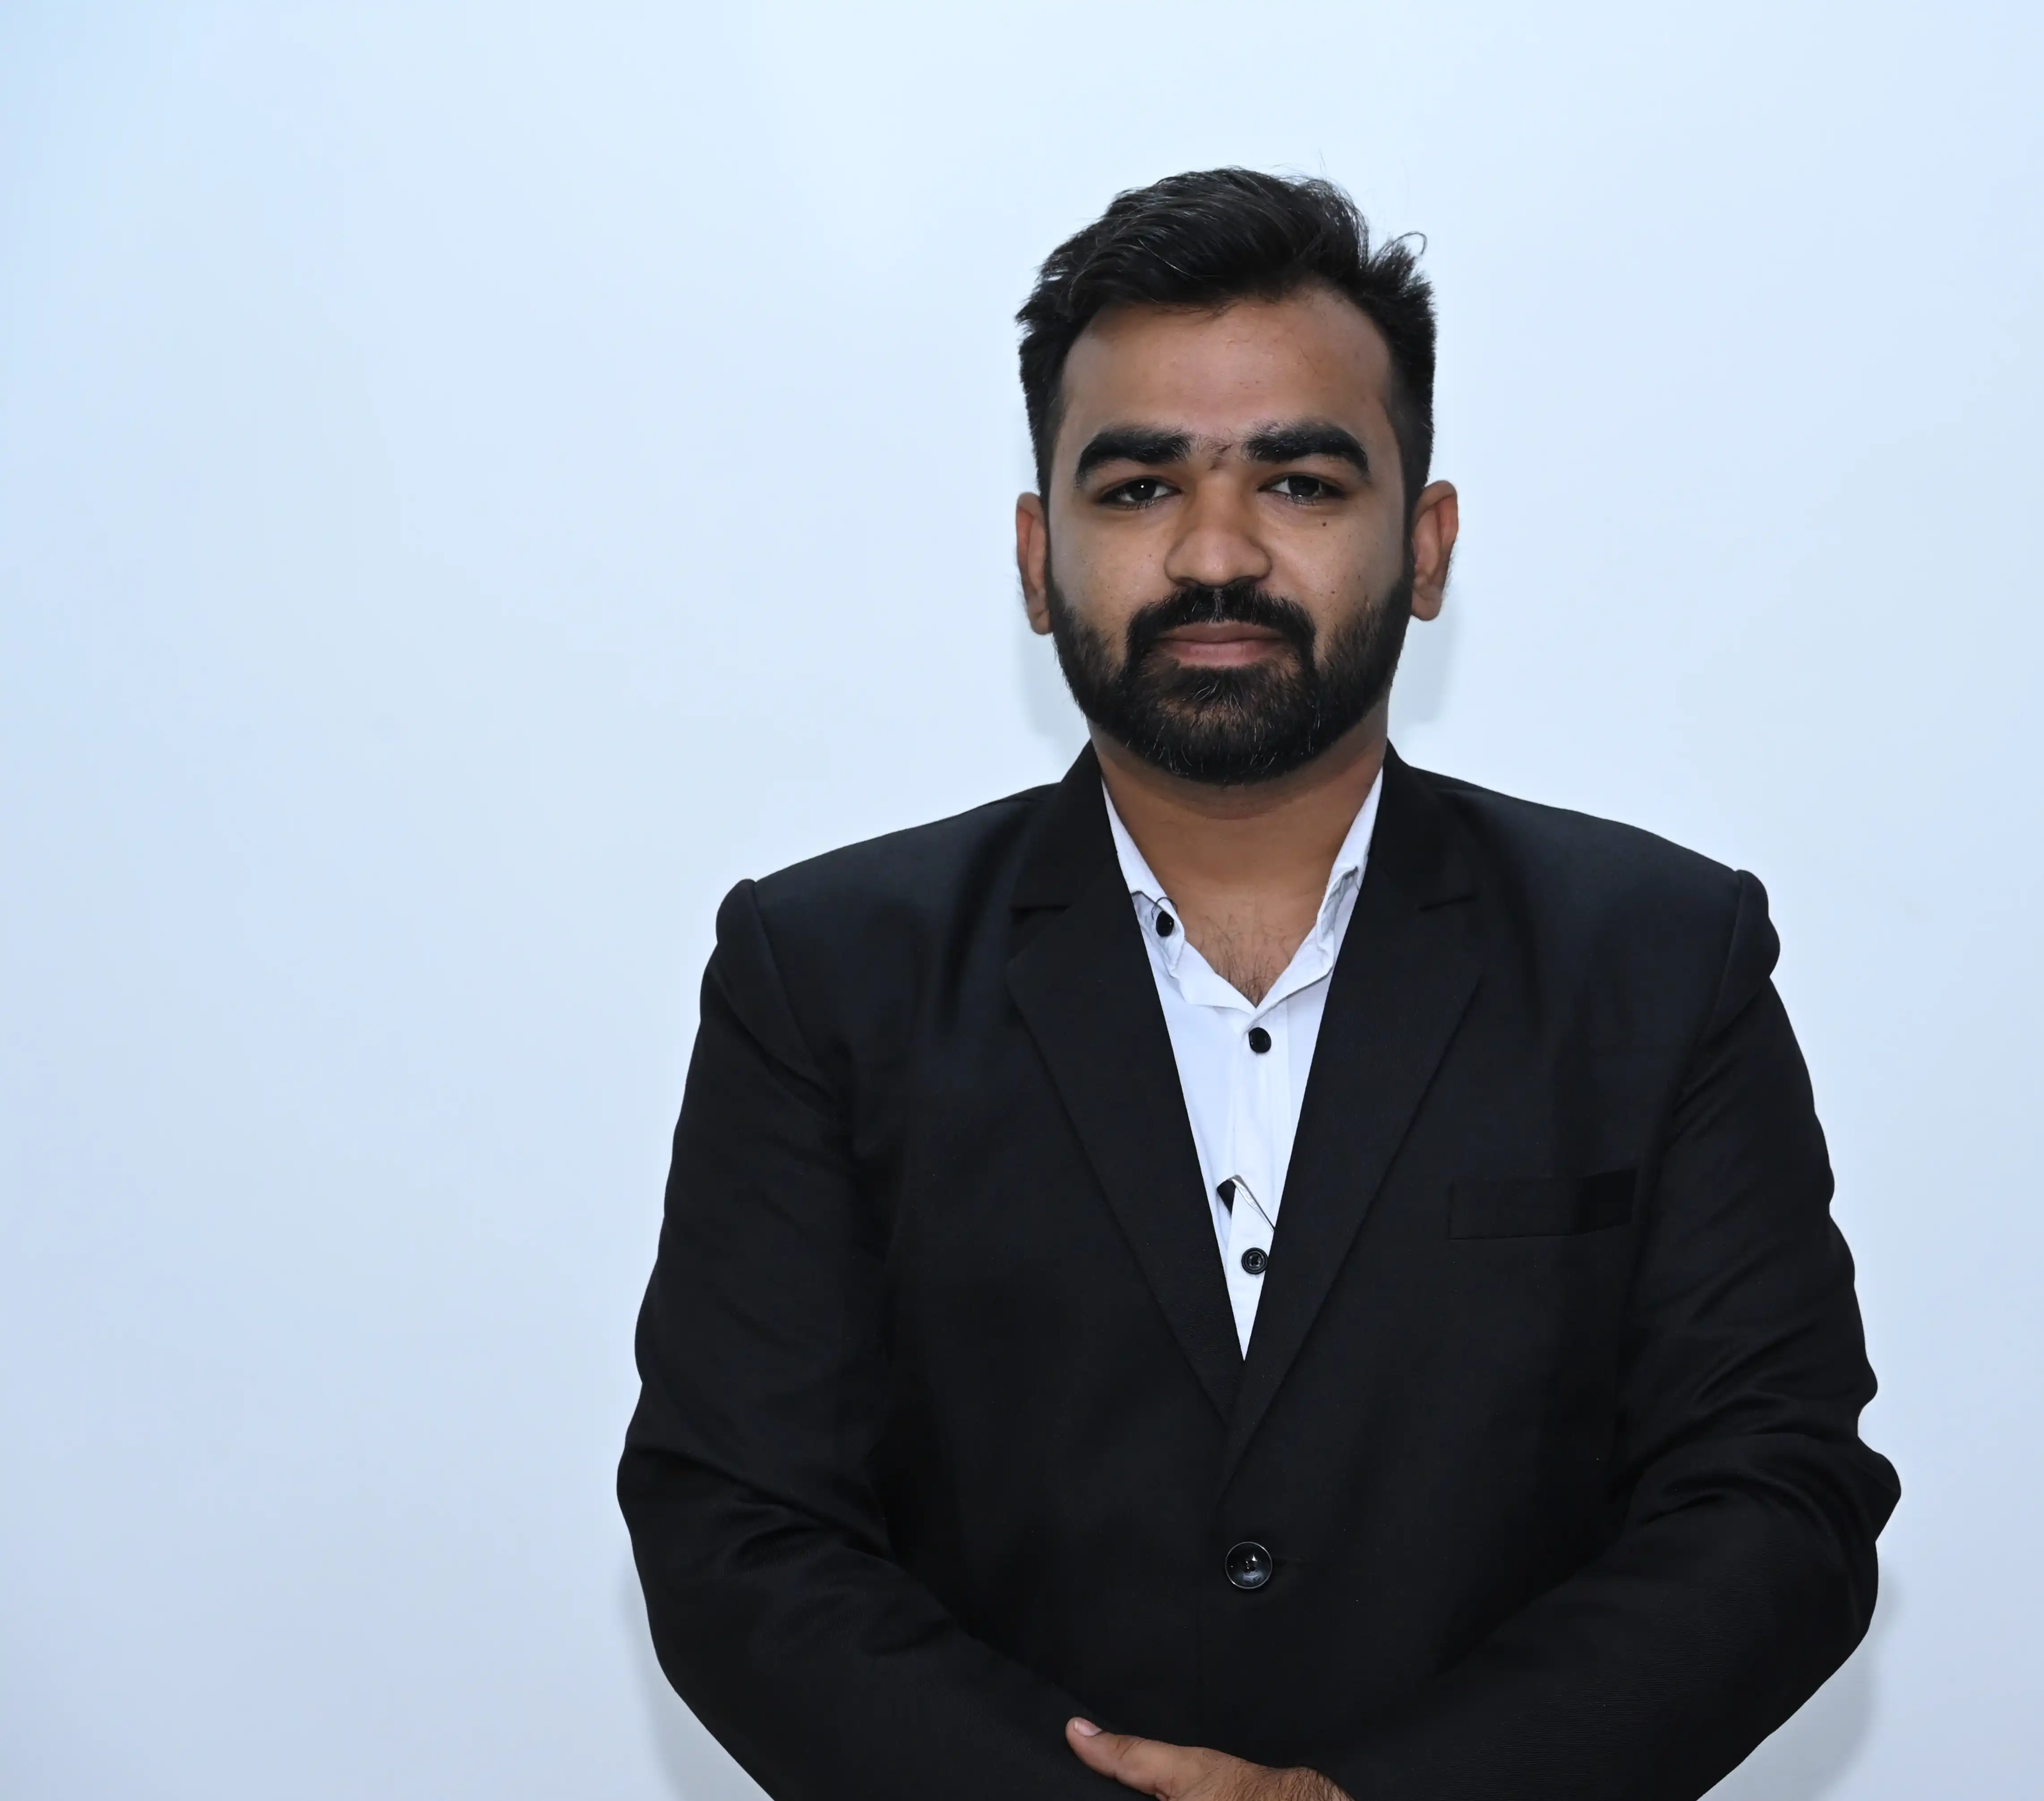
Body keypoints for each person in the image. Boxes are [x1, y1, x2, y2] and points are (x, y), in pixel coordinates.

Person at [619, 167, 1898, 1801]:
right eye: (1139, 486)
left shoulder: (1658, 956)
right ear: (1037, 558)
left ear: (1426, 543)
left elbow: (1778, 1503)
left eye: (1299, 480)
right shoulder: (823, 976)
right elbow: (735, 1530)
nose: (1215, 553)